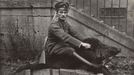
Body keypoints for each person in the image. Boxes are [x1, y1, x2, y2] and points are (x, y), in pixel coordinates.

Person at [45, 1, 99, 68]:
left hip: (62, 46)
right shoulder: (54, 25)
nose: (63, 14)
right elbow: (65, 37)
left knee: (78, 49)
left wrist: (86, 41)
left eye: (65, 12)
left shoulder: (65, 23)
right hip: (54, 49)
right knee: (71, 50)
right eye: (61, 12)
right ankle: (91, 65)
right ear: (57, 13)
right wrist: (81, 44)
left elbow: (75, 33)